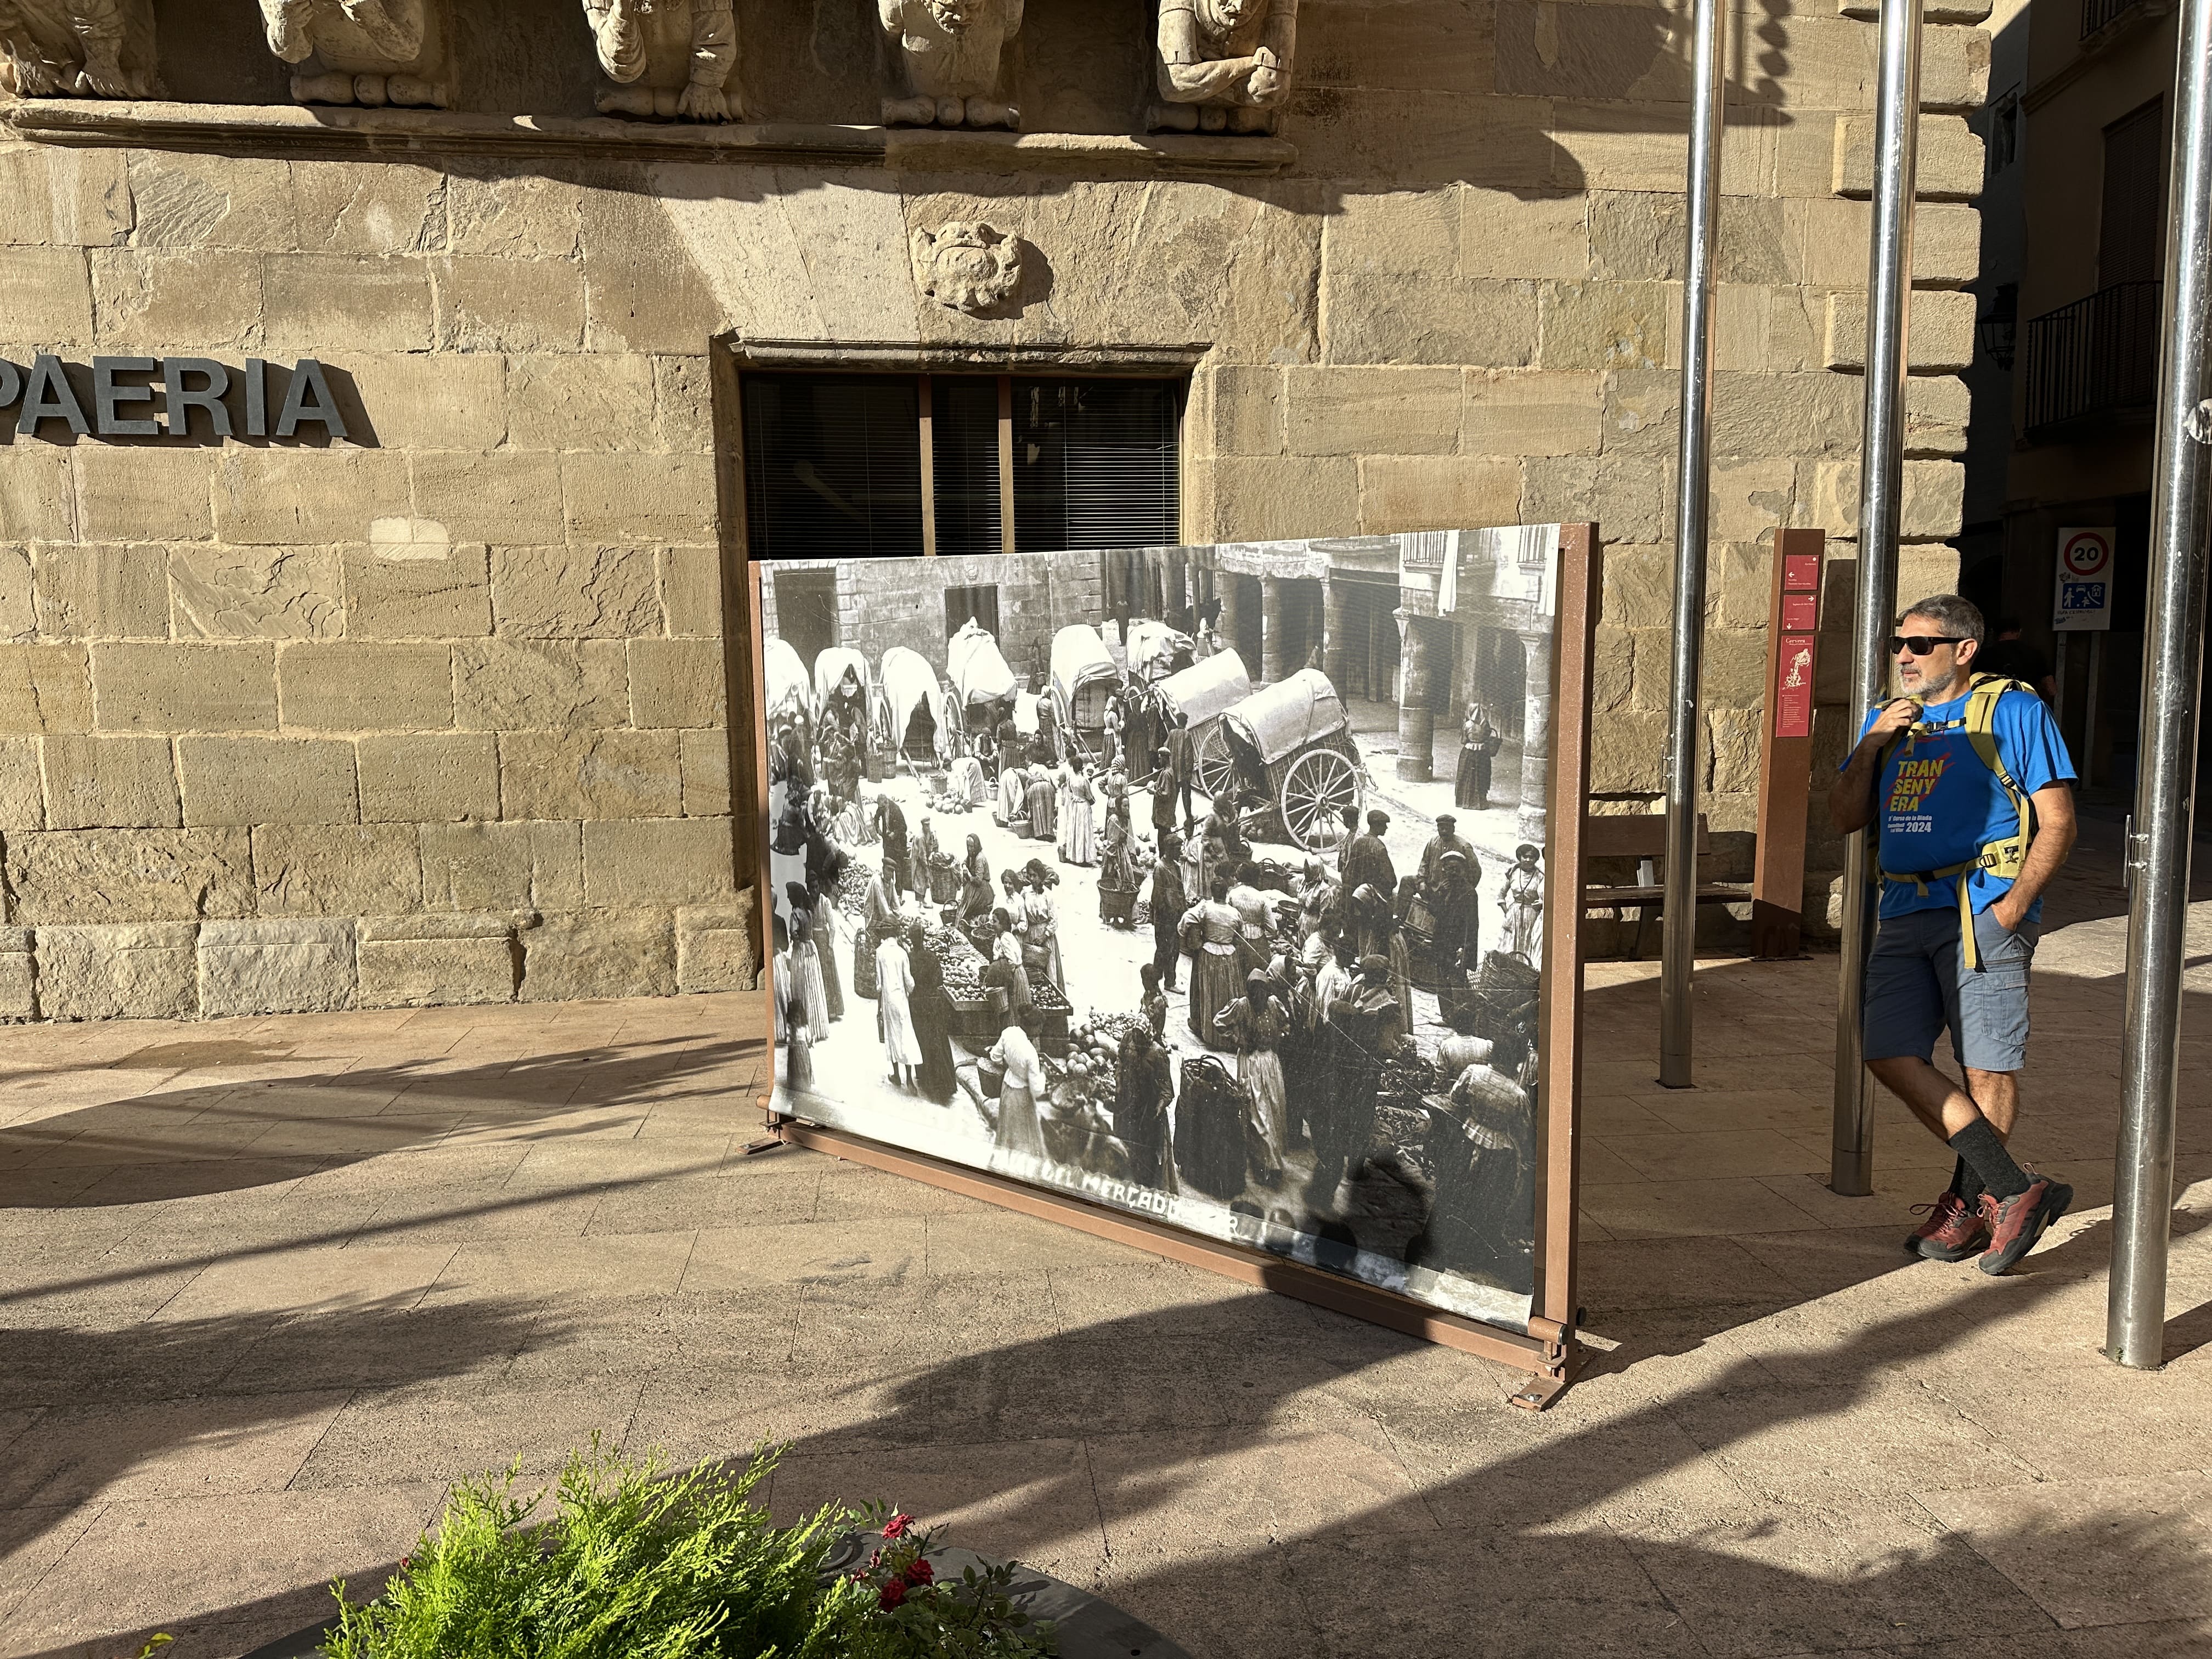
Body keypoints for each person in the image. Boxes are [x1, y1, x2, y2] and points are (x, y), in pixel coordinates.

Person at [1829, 593, 2077, 1274]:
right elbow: (1844, 815)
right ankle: (2013, 1187)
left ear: (1964, 650)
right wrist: (1874, 739)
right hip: (1904, 909)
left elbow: (2058, 820)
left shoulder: (2015, 710)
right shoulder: (1891, 721)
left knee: (1986, 1064)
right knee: (1886, 1050)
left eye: (1921, 645)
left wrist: (2016, 903)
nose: (1904, 656)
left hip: (1981, 909)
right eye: (1899, 644)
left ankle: (1971, 1206)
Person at [1308, 954, 1406, 1214]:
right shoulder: (1388, 1004)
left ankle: (1333, 1166)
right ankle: (1354, 1169)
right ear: (1383, 975)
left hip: (1341, 1067)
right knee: (1362, 1116)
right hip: (1365, 1070)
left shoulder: (1351, 988)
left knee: (1340, 1115)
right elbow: (1387, 1046)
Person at [1215, 968, 1290, 1185]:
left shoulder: (1274, 1004)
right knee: (1259, 1113)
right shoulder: (1242, 1006)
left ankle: (1267, 1158)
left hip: (1271, 1062)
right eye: (1255, 993)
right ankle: (1268, 1165)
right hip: (1252, 1063)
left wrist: (1281, 1034)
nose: (1259, 997)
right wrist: (1237, 1038)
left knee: (1274, 1110)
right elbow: (1219, 1022)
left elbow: (1285, 1023)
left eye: (1263, 992)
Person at [1181, 873, 1243, 1050]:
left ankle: (1206, 1029)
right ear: (1226, 893)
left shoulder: (1205, 907)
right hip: (1229, 955)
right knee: (1226, 993)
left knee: (1208, 991)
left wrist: (1189, 935)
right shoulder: (1235, 913)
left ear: (1212, 892)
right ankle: (1227, 1032)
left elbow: (1187, 919)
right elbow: (1241, 934)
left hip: (1209, 953)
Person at [1114, 1020, 1175, 1188]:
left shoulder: (1158, 1053)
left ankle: (1144, 1182)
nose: (1137, 1043)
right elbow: (1120, 1061)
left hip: (1148, 1108)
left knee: (1146, 1149)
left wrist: (1159, 1107)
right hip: (1129, 1100)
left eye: (1141, 1040)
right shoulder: (1128, 1040)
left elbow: (1166, 1088)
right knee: (1125, 1139)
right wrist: (1119, 1083)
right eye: (1136, 1038)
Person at [1428, 848, 1481, 1031]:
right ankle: (1448, 1016)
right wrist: (1439, 894)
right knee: (1442, 980)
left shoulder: (1469, 893)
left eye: (1455, 869)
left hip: (1456, 945)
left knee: (1458, 982)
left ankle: (1463, 1019)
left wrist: (1465, 949)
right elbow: (1433, 911)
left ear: (1462, 870)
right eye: (1448, 869)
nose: (1451, 873)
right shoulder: (1444, 889)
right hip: (1442, 942)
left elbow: (1472, 925)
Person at [907, 926, 958, 1105]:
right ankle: (944, 1084)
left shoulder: (910, 958)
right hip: (933, 1004)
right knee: (938, 1040)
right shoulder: (932, 957)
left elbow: (909, 983)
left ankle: (925, 1078)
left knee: (922, 1039)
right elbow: (939, 981)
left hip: (917, 1004)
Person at [989, 1007, 1047, 1160]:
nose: (1041, 1030)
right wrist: (1044, 1074)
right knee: (1022, 1139)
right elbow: (1038, 1090)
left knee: (1006, 1132)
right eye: (1040, 1026)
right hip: (1022, 1096)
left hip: (1007, 1088)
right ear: (1032, 1026)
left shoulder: (1008, 1033)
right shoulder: (1031, 1054)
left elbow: (995, 1057)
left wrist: (1009, 1063)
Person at [875, 926, 922, 1090]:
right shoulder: (903, 953)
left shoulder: (880, 952)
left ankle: (896, 1075)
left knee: (892, 1036)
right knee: (905, 1037)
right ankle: (909, 1078)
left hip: (888, 1002)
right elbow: (910, 983)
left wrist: (879, 1006)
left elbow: (879, 985)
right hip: (902, 1001)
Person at [1974, 617, 2057, 703]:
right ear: (2019, 632)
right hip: (2026, 706)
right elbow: (2051, 690)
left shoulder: (1983, 655)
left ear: (1993, 633)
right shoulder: (2035, 654)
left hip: (1992, 708)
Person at [785, 903, 831, 1043]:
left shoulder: (795, 914)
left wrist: (794, 944)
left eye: (789, 894)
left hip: (802, 952)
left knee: (801, 987)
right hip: (811, 948)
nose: (788, 897)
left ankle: (804, 1029)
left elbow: (794, 934)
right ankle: (817, 1027)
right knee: (813, 987)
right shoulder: (808, 911)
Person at [1150, 830, 1187, 993]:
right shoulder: (1161, 868)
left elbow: (1180, 891)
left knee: (1173, 949)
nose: (1180, 853)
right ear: (1169, 849)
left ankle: (1165, 980)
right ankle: (1162, 980)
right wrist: (1163, 914)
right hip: (1165, 916)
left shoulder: (1176, 867)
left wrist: (1183, 910)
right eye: (1178, 849)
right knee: (1164, 949)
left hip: (1176, 915)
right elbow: (1158, 896)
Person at [1023, 863, 1064, 990]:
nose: (1032, 879)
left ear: (1041, 877)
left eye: (1035, 876)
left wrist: (1044, 935)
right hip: (1030, 934)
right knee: (1032, 969)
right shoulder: (1025, 892)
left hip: (1045, 936)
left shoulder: (1048, 895)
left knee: (1048, 969)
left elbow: (1054, 920)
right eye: (1030, 876)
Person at [1342, 808, 1397, 902]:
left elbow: (1351, 870)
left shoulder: (1359, 841)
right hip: (1371, 896)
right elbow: (1391, 879)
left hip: (1356, 892)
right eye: (1384, 825)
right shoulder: (1379, 847)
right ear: (1377, 826)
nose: (1386, 828)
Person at [1502, 844, 1544, 958]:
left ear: (1536, 859)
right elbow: (1501, 895)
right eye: (1525, 857)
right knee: (1510, 943)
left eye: (1532, 857)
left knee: (1528, 943)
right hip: (1513, 914)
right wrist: (1507, 912)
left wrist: (1540, 905)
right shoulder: (1513, 873)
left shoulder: (1540, 876)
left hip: (1532, 915)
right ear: (1520, 857)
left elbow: (1544, 896)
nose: (1528, 860)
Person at [1419, 813, 1478, 892]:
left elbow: (1476, 871)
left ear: (1453, 829)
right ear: (1438, 829)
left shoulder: (1464, 846)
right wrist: (1422, 881)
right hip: (1430, 884)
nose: (1444, 831)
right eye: (1442, 828)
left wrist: (1464, 890)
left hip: (1450, 889)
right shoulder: (1433, 842)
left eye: (1447, 829)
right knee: (1407, 881)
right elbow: (1425, 862)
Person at [1458, 704, 1500, 810]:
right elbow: (1487, 737)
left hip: (1469, 752)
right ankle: (1480, 802)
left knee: (1466, 775)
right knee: (1481, 776)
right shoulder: (1486, 725)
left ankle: (1466, 801)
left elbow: (1463, 741)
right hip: (1482, 754)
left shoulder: (1467, 725)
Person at [1166, 711, 1198, 833]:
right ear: (1185, 723)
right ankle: (1189, 817)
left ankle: (1172, 820)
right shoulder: (1186, 735)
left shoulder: (1172, 733)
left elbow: (1166, 748)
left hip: (1173, 772)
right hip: (1183, 773)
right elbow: (1188, 755)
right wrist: (1189, 771)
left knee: (1173, 797)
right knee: (1186, 797)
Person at [1062, 763, 1096, 866]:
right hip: (1083, 806)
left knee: (1075, 829)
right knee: (1084, 830)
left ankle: (1075, 856)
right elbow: (1089, 795)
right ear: (1082, 768)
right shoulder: (1084, 780)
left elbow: (1069, 791)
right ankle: (1084, 857)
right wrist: (1091, 801)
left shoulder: (1070, 779)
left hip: (1075, 805)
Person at [876, 794, 910, 896]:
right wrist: (878, 828)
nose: (881, 809)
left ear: (887, 803)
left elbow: (904, 827)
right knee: (888, 866)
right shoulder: (881, 808)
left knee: (898, 868)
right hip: (888, 842)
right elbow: (876, 818)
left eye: (883, 807)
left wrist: (894, 834)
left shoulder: (896, 810)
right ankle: (889, 893)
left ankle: (898, 894)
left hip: (898, 844)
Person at [959, 834, 994, 923]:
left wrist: (970, 877)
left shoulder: (979, 859)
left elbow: (978, 880)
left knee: (969, 909)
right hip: (975, 886)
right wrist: (964, 867)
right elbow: (965, 861)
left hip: (982, 889)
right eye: (968, 846)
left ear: (976, 846)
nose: (970, 849)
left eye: (972, 846)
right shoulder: (972, 855)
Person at [1025, 763, 1058, 845]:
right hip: (1049, 787)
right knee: (1049, 811)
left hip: (1036, 788)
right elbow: (1055, 788)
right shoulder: (1045, 777)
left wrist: (1030, 811)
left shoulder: (1030, 780)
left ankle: (1040, 833)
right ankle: (1050, 833)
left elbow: (1027, 795)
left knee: (1038, 811)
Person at [1139, 960, 1169, 1039]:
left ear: (1148, 981)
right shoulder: (1148, 994)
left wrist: (1143, 1003)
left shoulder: (1158, 1000)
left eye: (1143, 979)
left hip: (1152, 1035)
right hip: (1145, 1029)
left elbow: (1147, 1016)